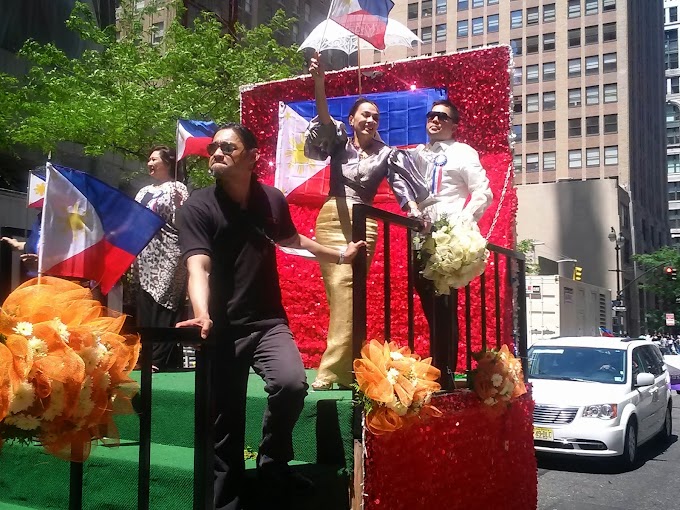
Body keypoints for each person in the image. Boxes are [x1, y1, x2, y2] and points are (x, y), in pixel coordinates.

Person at [175, 122, 366, 510]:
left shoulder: (272, 199)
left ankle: (272, 461)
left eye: (227, 147)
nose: (216, 152)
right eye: (213, 147)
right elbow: (199, 267)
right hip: (221, 327)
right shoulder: (198, 206)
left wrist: (340, 254)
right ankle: (225, 501)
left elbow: (291, 240)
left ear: (251, 156)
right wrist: (202, 313)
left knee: (292, 384)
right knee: (225, 421)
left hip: (267, 322)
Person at [305, 54, 430, 390]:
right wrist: (320, 83)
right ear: (353, 118)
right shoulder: (339, 143)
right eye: (365, 114)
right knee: (340, 295)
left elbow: (404, 190)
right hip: (331, 219)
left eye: (376, 116)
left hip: (364, 224)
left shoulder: (389, 154)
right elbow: (323, 121)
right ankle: (348, 370)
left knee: (348, 294)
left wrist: (415, 213)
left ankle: (330, 371)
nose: (371, 120)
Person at [408, 99, 493, 372]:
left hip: (447, 239)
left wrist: (460, 225)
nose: (434, 120)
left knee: (444, 307)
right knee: (428, 304)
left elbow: (482, 192)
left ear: (454, 126)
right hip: (420, 238)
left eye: (442, 117)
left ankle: (444, 371)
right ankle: (435, 367)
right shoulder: (418, 152)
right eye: (431, 115)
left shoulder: (463, 152)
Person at [133, 145, 188, 372]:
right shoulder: (143, 190)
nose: (150, 163)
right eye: (149, 158)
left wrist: (178, 206)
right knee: (145, 302)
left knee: (165, 301)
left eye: (154, 159)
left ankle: (157, 357)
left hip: (169, 251)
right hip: (145, 253)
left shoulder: (178, 188)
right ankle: (145, 354)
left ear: (167, 163)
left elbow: (183, 221)